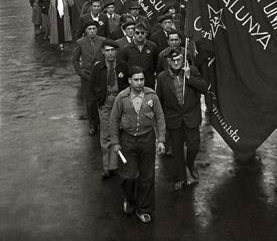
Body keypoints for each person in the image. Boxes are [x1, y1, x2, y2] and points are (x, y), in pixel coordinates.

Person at [110, 66, 166, 223]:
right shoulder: (121, 98)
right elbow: (113, 120)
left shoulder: (152, 96)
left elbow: (160, 118)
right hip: (127, 141)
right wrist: (115, 142)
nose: (139, 83)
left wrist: (161, 140)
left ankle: (144, 209)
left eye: (142, 79)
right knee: (129, 176)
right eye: (136, 80)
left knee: (147, 176)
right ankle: (129, 199)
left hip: (147, 140)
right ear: (129, 81)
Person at [156, 50, 208, 190]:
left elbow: (204, 88)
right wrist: (160, 121)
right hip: (174, 120)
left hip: (191, 117)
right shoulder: (162, 77)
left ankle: (190, 164)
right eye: (173, 60)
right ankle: (180, 177)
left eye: (179, 59)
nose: (176, 62)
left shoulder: (192, 70)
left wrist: (189, 78)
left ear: (183, 59)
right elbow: (159, 99)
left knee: (193, 146)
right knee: (177, 150)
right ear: (168, 61)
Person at [89, 40, 129, 178]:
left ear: (116, 51)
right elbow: (92, 86)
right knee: (106, 134)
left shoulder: (123, 66)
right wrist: (99, 99)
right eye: (107, 50)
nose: (110, 53)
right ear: (103, 52)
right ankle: (107, 167)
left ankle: (118, 164)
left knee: (121, 132)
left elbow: (128, 83)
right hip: (106, 102)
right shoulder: (98, 67)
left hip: (120, 102)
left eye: (113, 50)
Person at [72, 21, 105, 136]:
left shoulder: (102, 41)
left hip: (100, 76)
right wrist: (80, 73)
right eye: (89, 29)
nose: (92, 31)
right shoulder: (80, 42)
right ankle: (93, 125)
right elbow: (75, 60)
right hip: (87, 76)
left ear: (97, 30)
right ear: (86, 30)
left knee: (102, 100)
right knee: (90, 102)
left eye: (94, 29)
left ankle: (104, 124)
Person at [120, 22, 158, 89]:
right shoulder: (126, 49)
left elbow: (156, 64)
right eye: (137, 33)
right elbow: (124, 67)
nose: (140, 35)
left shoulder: (153, 46)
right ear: (134, 34)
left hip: (148, 82)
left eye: (142, 33)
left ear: (146, 33)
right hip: (133, 83)